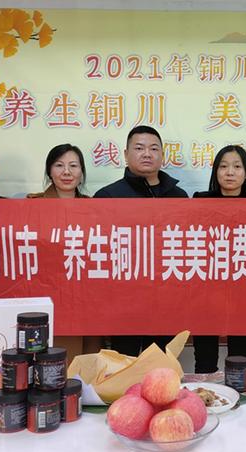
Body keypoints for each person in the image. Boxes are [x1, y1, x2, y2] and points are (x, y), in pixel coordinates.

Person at [95, 125, 188, 356]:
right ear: (126, 154)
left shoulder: (179, 197)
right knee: (123, 361)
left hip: (167, 296)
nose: (147, 154)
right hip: (123, 298)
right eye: (139, 148)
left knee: (159, 363)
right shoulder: (108, 196)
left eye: (154, 148)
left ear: (162, 155)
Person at [27, 144, 100, 360]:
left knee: (87, 361)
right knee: (53, 360)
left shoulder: (95, 208)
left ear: (81, 172)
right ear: (49, 171)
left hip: (86, 294)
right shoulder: (32, 205)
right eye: (59, 165)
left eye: (73, 166)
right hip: (47, 292)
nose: (66, 172)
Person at [192, 145, 246, 372]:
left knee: (240, 358)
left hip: (244, 291)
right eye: (223, 166)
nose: (230, 172)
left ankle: (238, 392)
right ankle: (205, 394)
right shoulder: (199, 201)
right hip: (206, 291)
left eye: (237, 167)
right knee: (205, 360)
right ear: (216, 171)